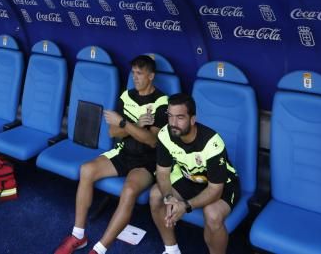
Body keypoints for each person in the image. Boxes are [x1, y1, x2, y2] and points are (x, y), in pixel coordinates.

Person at [53, 56, 169, 254]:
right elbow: (112, 132)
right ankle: (78, 236)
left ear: (151, 76)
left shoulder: (161, 101)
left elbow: (152, 140)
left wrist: (125, 124)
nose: (135, 77)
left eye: (139, 73)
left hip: (147, 160)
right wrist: (136, 126)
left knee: (130, 189)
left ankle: (99, 249)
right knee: (86, 170)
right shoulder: (126, 96)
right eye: (133, 73)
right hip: (124, 152)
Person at [148, 94, 239, 254]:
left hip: (222, 184)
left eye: (180, 117)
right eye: (170, 116)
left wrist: (186, 206)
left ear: (192, 119)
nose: (173, 123)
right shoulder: (165, 134)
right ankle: (171, 250)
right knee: (156, 195)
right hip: (190, 178)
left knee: (212, 215)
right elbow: (162, 173)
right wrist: (168, 198)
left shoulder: (212, 143)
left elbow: (215, 190)